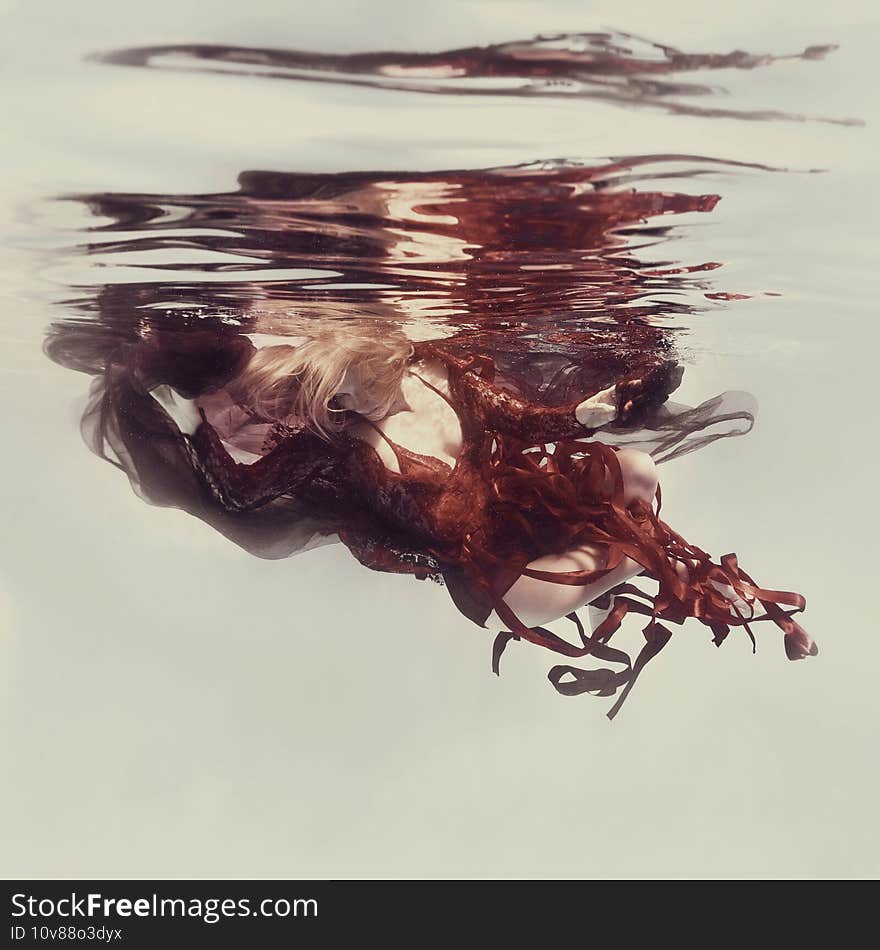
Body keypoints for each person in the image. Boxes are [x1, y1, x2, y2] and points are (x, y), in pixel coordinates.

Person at [131, 320, 814, 718]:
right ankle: (701, 581)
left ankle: (696, 576)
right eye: (278, 410)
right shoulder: (336, 454)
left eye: (293, 398)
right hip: (494, 578)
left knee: (637, 470)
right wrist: (185, 423)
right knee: (593, 564)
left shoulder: (433, 370)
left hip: (527, 510)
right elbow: (245, 496)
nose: (288, 420)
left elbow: (520, 420)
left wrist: (587, 415)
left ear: (328, 364)